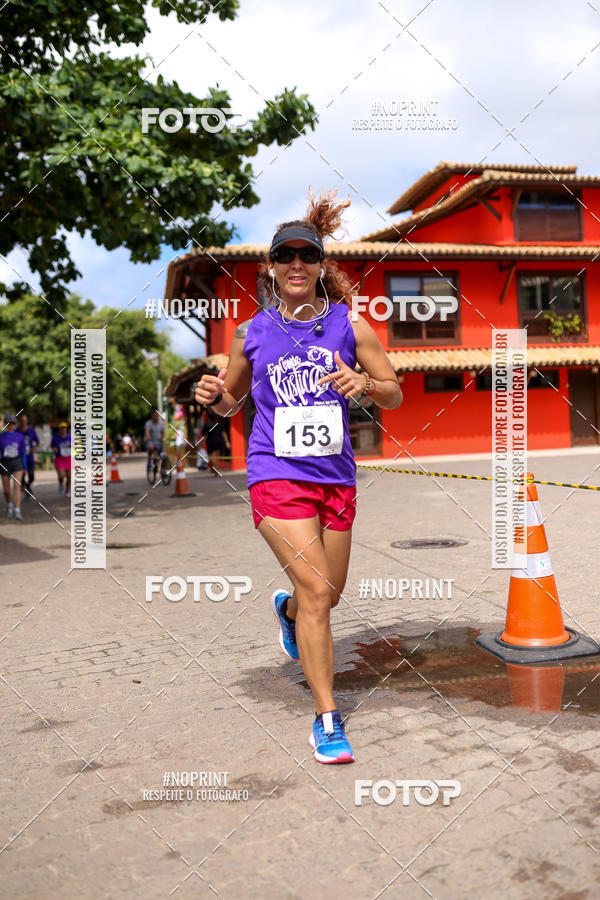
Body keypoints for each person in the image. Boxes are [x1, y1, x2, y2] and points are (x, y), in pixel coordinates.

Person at [195, 191, 403, 764]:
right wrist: (212, 396)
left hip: (334, 476)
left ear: (319, 266)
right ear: (270, 267)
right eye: (284, 255)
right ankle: (327, 718)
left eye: (306, 256)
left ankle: (287, 612)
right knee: (318, 590)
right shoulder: (251, 333)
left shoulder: (349, 327)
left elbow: (396, 391)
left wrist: (365, 385)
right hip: (274, 473)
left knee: (325, 596)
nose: (296, 265)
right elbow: (231, 402)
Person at [0, 413, 26, 519]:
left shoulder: (19, 436)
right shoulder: (1, 437)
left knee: (16, 486)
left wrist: (25, 467)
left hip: (17, 463)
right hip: (5, 463)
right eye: (8, 423)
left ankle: (17, 509)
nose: (10, 425)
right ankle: (9, 504)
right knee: (6, 489)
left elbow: (23, 452)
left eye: (12, 423)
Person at [201, 410, 231, 476]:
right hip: (220, 441)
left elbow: (204, 436)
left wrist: (201, 443)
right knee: (216, 456)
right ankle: (216, 470)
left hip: (211, 441)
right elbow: (224, 433)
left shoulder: (207, 425)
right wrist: (227, 442)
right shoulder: (219, 424)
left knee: (212, 456)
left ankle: (216, 470)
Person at [18, 413, 40, 501]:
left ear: (26, 421)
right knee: (21, 479)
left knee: (32, 477)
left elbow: (37, 442)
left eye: (25, 421)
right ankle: (28, 492)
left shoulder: (31, 430)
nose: (23, 422)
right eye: (22, 421)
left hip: (29, 457)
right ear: (19, 422)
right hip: (19, 458)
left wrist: (34, 448)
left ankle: (27, 488)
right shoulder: (16, 431)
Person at [51, 421, 72, 496]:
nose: (63, 429)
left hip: (68, 458)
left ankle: (67, 491)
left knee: (69, 476)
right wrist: (54, 449)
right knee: (61, 475)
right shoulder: (55, 437)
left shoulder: (70, 437)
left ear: (66, 429)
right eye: (62, 428)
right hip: (59, 458)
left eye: (65, 427)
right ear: (59, 429)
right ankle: (61, 484)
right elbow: (52, 446)